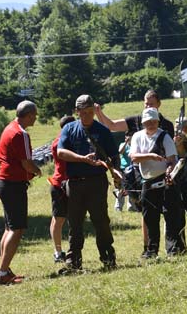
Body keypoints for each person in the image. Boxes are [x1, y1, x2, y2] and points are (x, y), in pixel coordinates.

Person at [95, 89, 174, 252]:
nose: (148, 107)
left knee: (168, 212)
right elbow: (111, 126)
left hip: (162, 173)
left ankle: (171, 246)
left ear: (159, 104)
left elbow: (171, 152)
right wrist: (98, 113)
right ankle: (148, 247)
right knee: (147, 212)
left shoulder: (167, 125)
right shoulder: (136, 120)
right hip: (139, 173)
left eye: (151, 104)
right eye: (146, 104)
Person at [57, 94, 123, 272]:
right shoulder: (69, 129)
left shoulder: (103, 131)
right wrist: (82, 159)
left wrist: (115, 171)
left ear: (94, 110)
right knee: (75, 224)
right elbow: (61, 152)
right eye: (83, 112)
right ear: (77, 112)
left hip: (97, 183)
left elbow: (113, 156)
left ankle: (108, 258)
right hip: (75, 184)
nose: (87, 116)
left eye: (90, 112)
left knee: (101, 222)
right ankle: (73, 262)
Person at [0, 100, 42, 285]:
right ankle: (2, 273)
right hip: (13, 184)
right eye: (34, 115)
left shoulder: (9, 128)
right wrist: (37, 171)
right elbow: (26, 163)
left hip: (4, 183)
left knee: (9, 228)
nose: (35, 118)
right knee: (16, 229)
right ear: (28, 115)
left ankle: (4, 270)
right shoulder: (21, 134)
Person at [130, 108, 186, 258]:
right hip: (147, 181)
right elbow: (134, 157)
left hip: (165, 180)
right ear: (143, 123)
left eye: (154, 121)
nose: (151, 124)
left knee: (170, 215)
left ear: (158, 122)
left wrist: (169, 171)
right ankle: (151, 250)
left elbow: (172, 160)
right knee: (150, 217)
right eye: (148, 122)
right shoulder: (137, 136)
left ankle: (173, 249)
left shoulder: (165, 137)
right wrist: (151, 156)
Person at [48, 115, 76, 263]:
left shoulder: (69, 140)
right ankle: (58, 252)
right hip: (60, 184)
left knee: (70, 218)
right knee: (58, 219)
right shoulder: (59, 142)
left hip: (70, 182)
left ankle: (71, 250)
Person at [114, 133, 137, 212]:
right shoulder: (122, 144)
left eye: (130, 136)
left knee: (131, 188)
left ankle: (131, 207)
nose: (128, 137)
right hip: (123, 169)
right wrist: (126, 143)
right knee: (121, 188)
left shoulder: (135, 145)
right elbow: (119, 152)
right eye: (126, 136)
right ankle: (118, 207)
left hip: (132, 169)